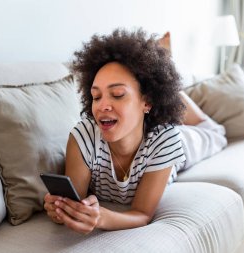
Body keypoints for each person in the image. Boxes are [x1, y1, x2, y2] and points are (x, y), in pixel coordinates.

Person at [43, 28, 227, 234]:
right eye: (96, 96)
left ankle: (166, 64)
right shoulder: (83, 136)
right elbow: (73, 203)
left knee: (215, 133)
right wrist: (61, 209)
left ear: (147, 102)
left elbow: (142, 214)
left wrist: (103, 217)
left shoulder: (167, 138)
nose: (102, 105)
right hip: (147, 126)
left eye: (118, 94)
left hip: (182, 141)